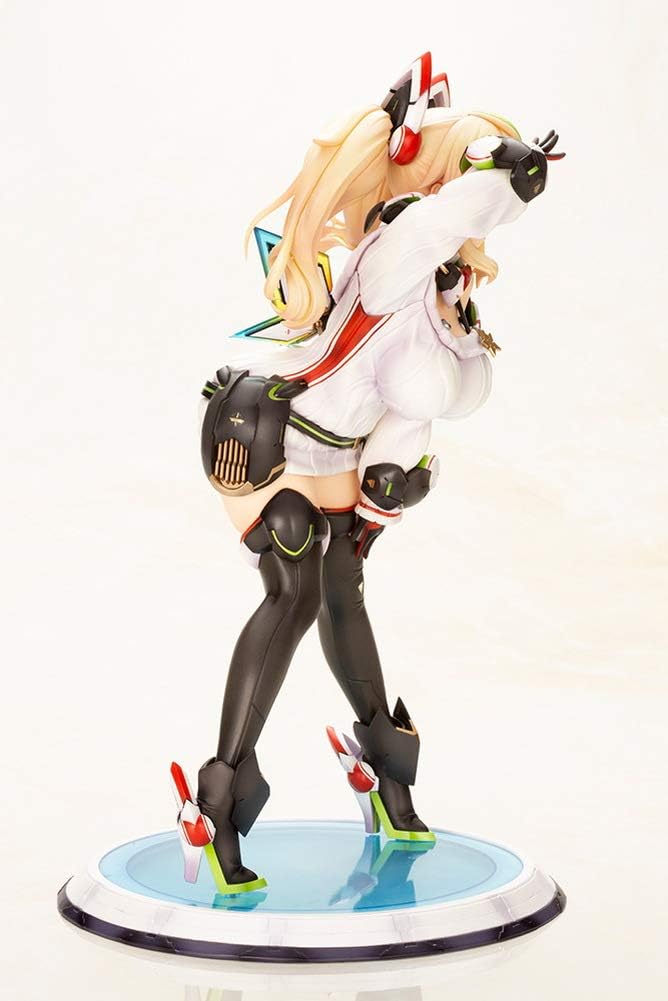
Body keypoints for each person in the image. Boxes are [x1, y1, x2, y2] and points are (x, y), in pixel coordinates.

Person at [186, 52, 564, 893]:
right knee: (293, 589)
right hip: (274, 433)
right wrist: (509, 173)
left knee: (343, 586)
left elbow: (443, 398)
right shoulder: (399, 245)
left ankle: (387, 774)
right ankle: (217, 802)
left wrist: (392, 481)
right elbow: (450, 218)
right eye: (464, 163)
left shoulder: (436, 283)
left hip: (337, 451)